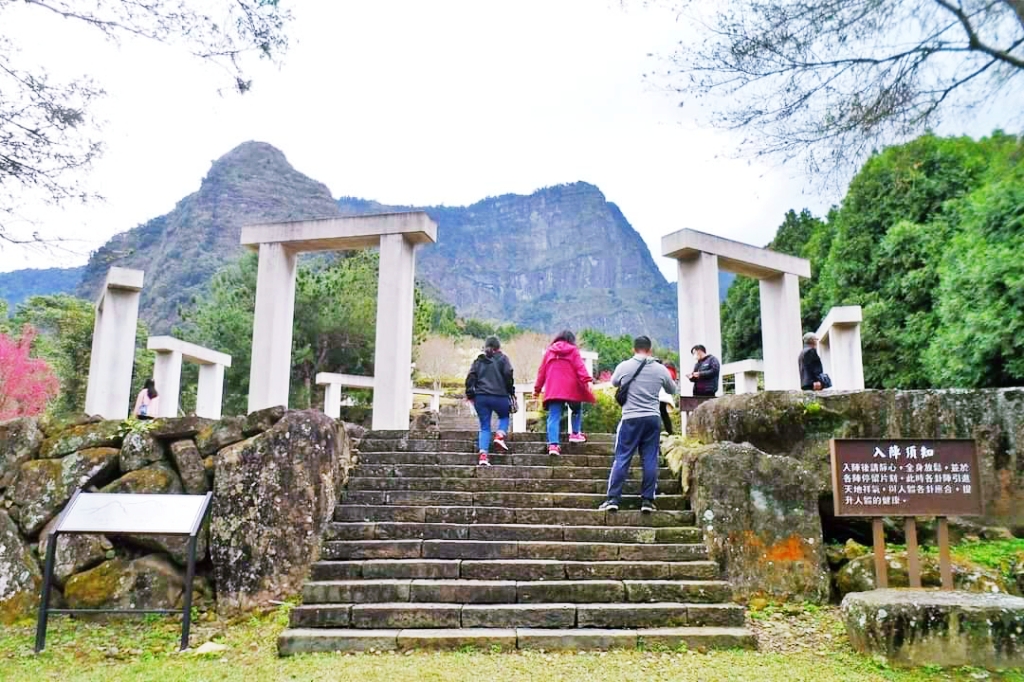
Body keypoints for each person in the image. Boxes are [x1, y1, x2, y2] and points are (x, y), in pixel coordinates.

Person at [600, 336, 677, 513]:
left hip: (630, 418)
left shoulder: (624, 366)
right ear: (650, 349)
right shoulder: (660, 369)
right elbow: (672, 389)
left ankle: (613, 499)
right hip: (652, 418)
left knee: (622, 457)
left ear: (634, 349)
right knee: (650, 458)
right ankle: (647, 501)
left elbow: (614, 382)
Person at [533, 330, 595, 456]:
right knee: (576, 409)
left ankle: (553, 446)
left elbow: (542, 372)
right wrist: (587, 381)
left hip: (554, 388)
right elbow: (580, 367)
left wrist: (537, 389)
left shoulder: (549, 351)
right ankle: (575, 434)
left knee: (553, 416)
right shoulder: (573, 350)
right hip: (571, 387)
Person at [465, 336, 515, 466]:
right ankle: (499, 435)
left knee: (484, 427)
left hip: (481, 397)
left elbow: (470, 378)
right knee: (504, 416)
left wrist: (470, 395)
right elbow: (508, 375)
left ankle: (483, 456)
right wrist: (511, 392)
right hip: (500, 396)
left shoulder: (479, 361)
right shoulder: (503, 359)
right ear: (498, 347)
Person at [658, 361, 678, 435]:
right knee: (664, 414)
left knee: (658, 414)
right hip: (665, 396)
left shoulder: (666, 372)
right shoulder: (672, 372)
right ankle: (669, 431)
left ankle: (659, 431)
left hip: (660, 396)